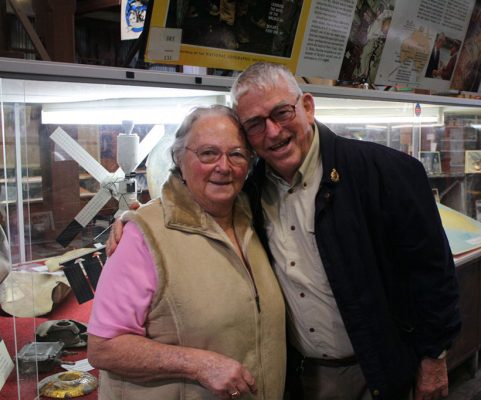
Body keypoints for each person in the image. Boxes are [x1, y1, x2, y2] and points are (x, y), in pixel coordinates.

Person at [108, 63, 461, 400]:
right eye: (255, 125)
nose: (273, 132)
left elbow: (433, 273)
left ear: (307, 106)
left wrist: (434, 358)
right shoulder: (250, 190)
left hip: (380, 371)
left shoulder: (387, 172)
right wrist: (137, 218)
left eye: (281, 113)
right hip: (297, 377)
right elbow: (195, 199)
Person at [89, 105, 286, 400]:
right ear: (179, 158)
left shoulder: (255, 216)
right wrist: (199, 365)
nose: (224, 166)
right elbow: (103, 346)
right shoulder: (143, 235)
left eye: (236, 154)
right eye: (208, 153)